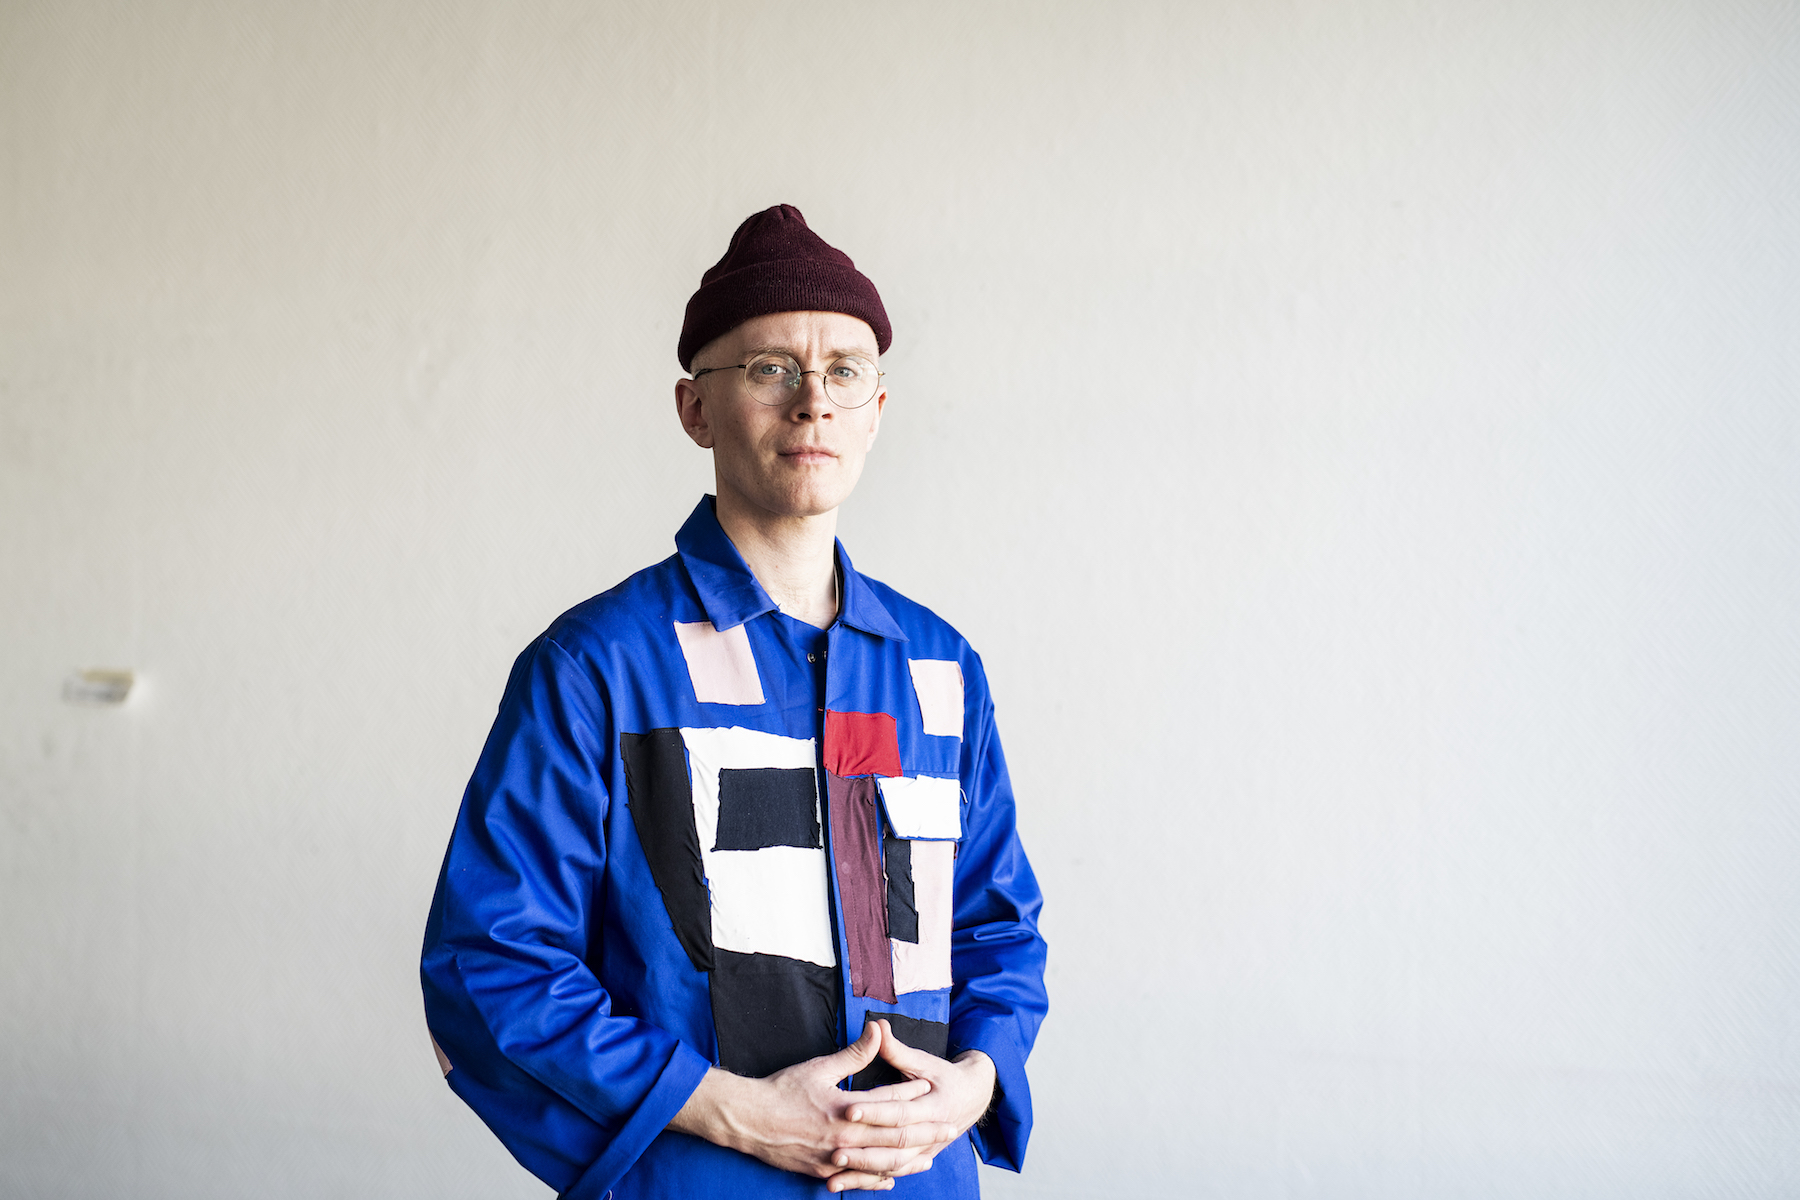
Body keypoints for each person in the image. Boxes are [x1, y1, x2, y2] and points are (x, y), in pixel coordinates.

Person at [421, 205, 1048, 1199]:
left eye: (844, 371)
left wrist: (973, 1084)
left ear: (878, 409)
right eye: (770, 369)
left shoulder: (941, 670)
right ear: (695, 410)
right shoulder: (595, 669)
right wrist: (738, 1113)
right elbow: (491, 967)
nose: (813, 404)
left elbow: (996, 933)